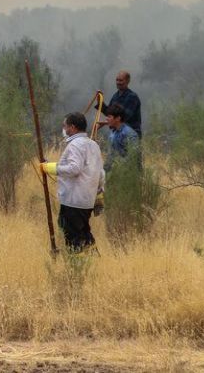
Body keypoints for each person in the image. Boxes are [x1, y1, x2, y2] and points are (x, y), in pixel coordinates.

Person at [41, 112, 105, 252]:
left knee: (73, 237)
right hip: (87, 200)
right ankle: (93, 263)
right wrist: (99, 195)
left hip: (73, 200)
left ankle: (77, 266)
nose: (64, 129)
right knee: (84, 233)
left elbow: (74, 168)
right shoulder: (93, 145)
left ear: (73, 127)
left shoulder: (75, 145)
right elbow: (101, 173)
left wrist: (50, 168)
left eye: (65, 126)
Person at [99, 70, 142, 137]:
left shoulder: (132, 97)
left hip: (131, 134)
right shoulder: (115, 96)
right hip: (118, 132)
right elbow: (109, 112)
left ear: (127, 81)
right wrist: (100, 102)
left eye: (121, 80)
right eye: (117, 80)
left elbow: (125, 116)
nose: (118, 82)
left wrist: (106, 122)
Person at [104, 103, 140, 172]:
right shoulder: (112, 133)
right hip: (115, 173)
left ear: (118, 118)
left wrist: (117, 166)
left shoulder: (130, 134)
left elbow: (133, 156)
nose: (106, 119)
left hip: (127, 175)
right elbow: (110, 155)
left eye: (109, 116)